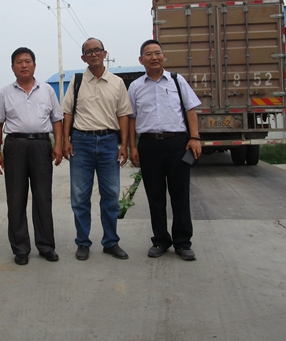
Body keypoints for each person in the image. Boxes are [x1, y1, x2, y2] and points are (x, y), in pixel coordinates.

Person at [128, 39, 202, 261]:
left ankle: (183, 242)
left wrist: (195, 138)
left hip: (177, 143)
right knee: (155, 195)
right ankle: (160, 240)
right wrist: (132, 146)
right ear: (141, 59)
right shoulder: (135, 87)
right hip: (149, 145)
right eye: (149, 54)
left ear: (163, 56)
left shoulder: (177, 81)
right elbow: (131, 119)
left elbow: (190, 110)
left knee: (180, 195)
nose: (154, 57)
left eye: (157, 53)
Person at [0, 47, 64, 266]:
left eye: (28, 61)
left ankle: (46, 246)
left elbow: (57, 119)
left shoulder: (47, 90)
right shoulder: (4, 93)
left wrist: (58, 145)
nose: (24, 65)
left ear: (34, 65)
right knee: (16, 199)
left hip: (41, 145)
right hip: (15, 146)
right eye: (19, 62)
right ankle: (21, 249)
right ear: (12, 66)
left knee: (43, 197)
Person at [62, 37, 133, 261]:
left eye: (97, 50)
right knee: (80, 197)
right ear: (83, 57)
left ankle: (111, 242)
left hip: (108, 143)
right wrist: (65, 140)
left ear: (104, 53)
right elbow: (67, 113)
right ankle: (83, 242)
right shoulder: (77, 81)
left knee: (111, 195)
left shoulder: (117, 83)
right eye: (88, 51)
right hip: (81, 143)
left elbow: (124, 114)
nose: (93, 54)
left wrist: (123, 145)